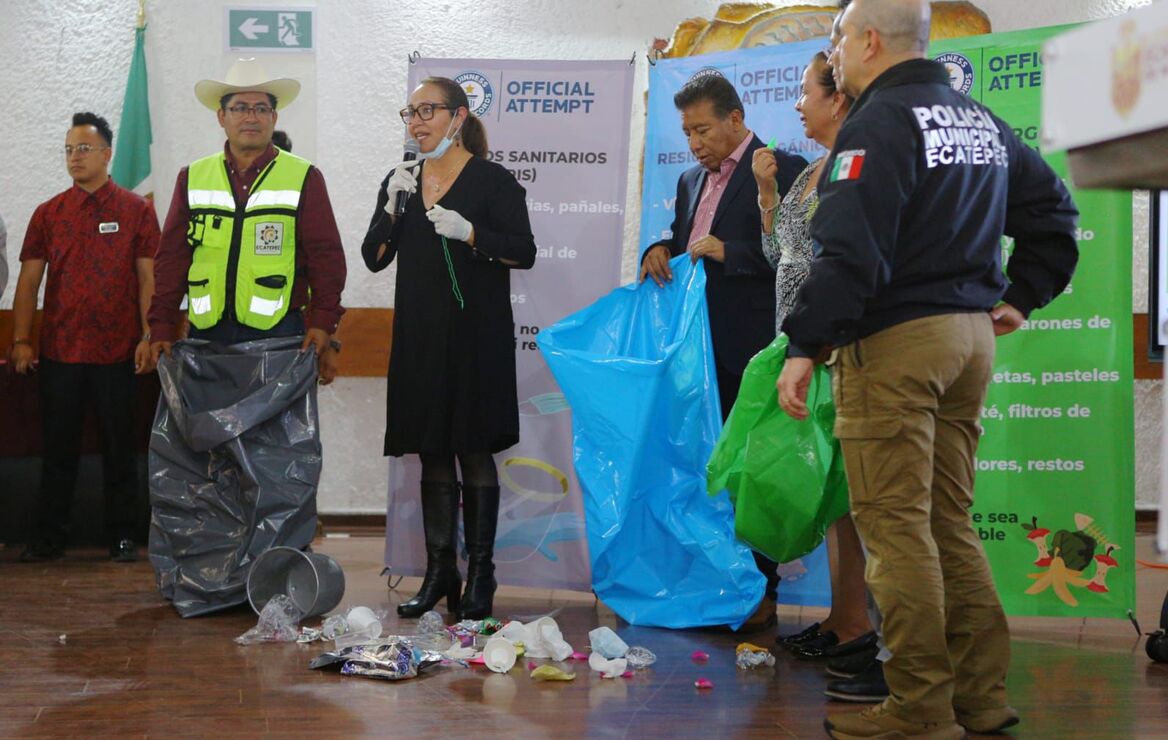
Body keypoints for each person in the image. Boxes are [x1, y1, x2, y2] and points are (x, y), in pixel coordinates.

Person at [777, 0, 1079, 737]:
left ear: (871, 40)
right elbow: (1056, 216)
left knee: (896, 529)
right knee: (948, 523)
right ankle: (979, 698)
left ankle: (918, 706)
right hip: (969, 339)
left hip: (898, 344)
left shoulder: (877, 124)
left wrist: (804, 345)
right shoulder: (977, 119)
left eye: (840, 37)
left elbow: (849, 253)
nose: (836, 51)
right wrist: (1023, 296)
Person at [362, 77, 536, 621]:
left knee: (473, 450)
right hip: (420, 337)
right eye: (409, 112)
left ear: (457, 117)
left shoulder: (493, 182)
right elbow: (373, 257)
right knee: (431, 449)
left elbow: (524, 253)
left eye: (427, 110)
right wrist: (392, 207)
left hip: (475, 338)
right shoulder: (402, 181)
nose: (416, 122)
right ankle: (441, 572)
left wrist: (470, 234)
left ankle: (481, 573)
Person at [640, 72, 807, 630]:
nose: (694, 143)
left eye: (703, 129)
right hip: (697, 352)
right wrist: (659, 247)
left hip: (753, 348)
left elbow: (797, 259)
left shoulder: (781, 167)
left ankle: (763, 592)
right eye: (687, 132)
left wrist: (729, 251)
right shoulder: (690, 180)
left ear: (735, 118)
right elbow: (679, 233)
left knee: (752, 473)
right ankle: (716, 583)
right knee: (705, 470)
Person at [753, 50, 876, 668]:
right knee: (831, 496)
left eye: (805, 93)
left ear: (839, 99)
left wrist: (817, 345)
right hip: (800, 343)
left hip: (835, 350)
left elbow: (845, 264)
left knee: (853, 494)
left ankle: (862, 626)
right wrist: (768, 192)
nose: (797, 104)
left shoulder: (856, 168)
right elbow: (783, 255)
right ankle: (845, 617)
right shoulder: (810, 172)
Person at [9, 112, 159, 563]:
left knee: (120, 448)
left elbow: (148, 279)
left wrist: (149, 334)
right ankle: (49, 536)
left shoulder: (137, 211)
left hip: (117, 350)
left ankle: (121, 535)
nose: (75, 157)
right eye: (69, 149)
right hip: (60, 350)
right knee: (58, 449)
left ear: (108, 154)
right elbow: (29, 282)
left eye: (85, 149)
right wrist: (21, 339)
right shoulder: (49, 213)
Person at [149, 58, 344, 369]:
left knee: (274, 419)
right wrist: (162, 323)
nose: (251, 117)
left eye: (261, 108)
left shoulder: (304, 176)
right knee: (207, 419)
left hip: (280, 331)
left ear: (274, 117)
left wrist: (323, 322)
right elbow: (172, 257)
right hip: (207, 332)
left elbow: (326, 257)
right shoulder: (193, 176)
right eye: (240, 107)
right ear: (221, 116)